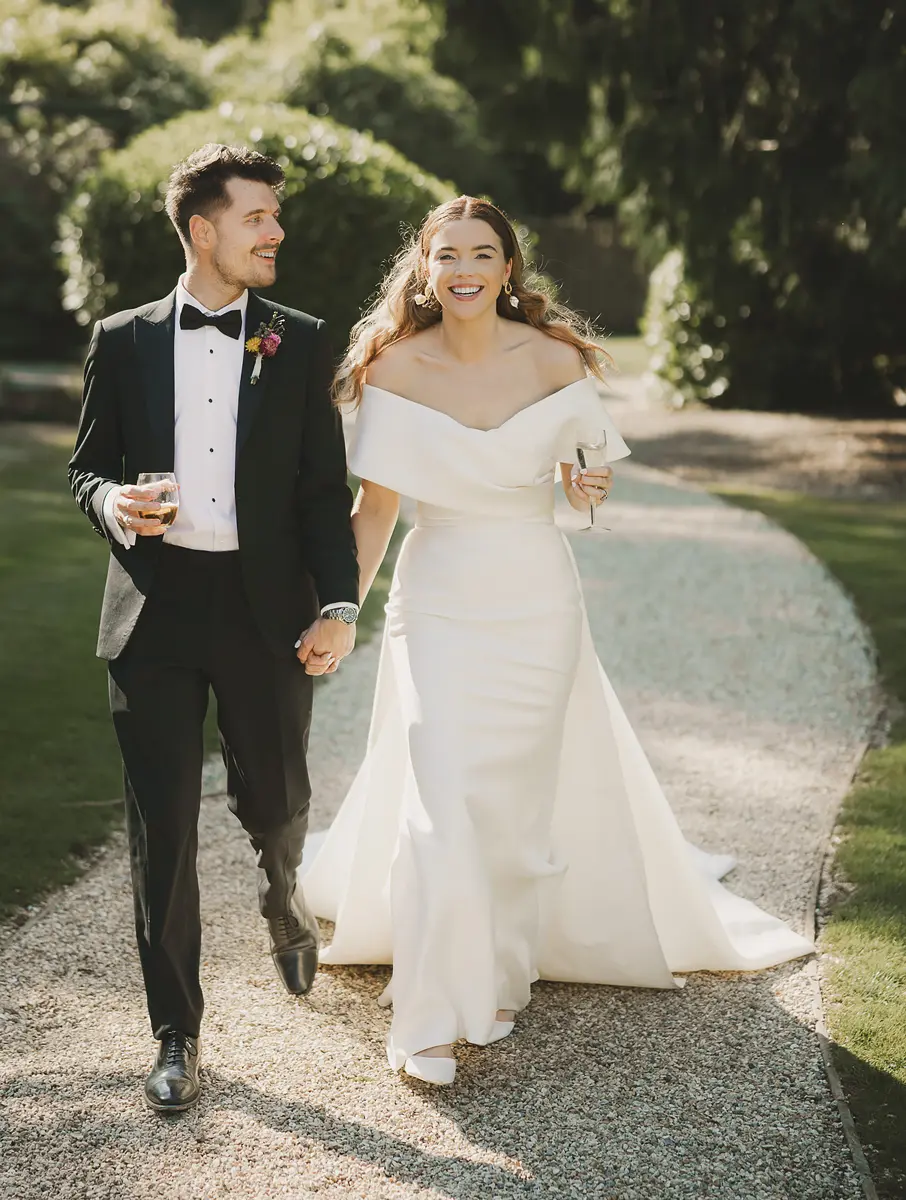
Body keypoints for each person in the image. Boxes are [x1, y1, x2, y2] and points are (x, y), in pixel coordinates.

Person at [301, 196, 814, 1086]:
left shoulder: (556, 359)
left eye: (483, 253)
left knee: (507, 800)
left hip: (535, 596)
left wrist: (589, 487)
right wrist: (339, 611)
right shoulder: (391, 368)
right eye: (447, 254)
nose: (464, 269)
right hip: (442, 595)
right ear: (424, 268)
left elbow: (584, 492)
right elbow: (376, 513)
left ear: (509, 268)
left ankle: (500, 966)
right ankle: (427, 1014)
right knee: (443, 788)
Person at [68, 144, 360, 1112]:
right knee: (164, 830)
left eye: (276, 217)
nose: (276, 232)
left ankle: (284, 889)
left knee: (276, 798)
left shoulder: (302, 340)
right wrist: (113, 505)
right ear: (204, 230)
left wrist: (341, 602)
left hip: (262, 606)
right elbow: (86, 467)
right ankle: (176, 1036)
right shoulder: (124, 338)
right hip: (152, 612)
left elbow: (325, 492)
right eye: (257, 218)